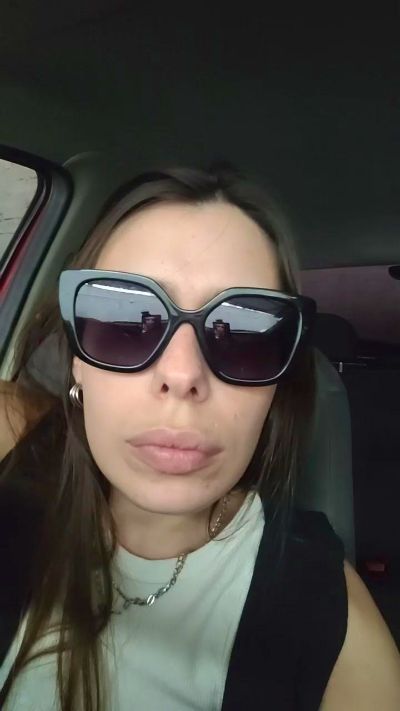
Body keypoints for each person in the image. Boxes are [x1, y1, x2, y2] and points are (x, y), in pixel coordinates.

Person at [0, 165, 399, 711]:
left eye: (245, 333)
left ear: (276, 386)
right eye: (126, 318)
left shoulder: (330, 620)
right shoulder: (14, 444)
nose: (183, 374)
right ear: (77, 362)